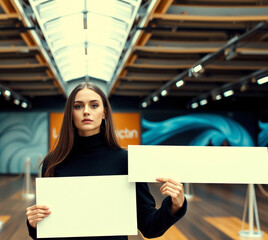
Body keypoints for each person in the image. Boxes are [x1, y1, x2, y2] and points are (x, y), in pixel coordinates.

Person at [26, 82, 187, 240]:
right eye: (78, 106)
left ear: (104, 113)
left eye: (94, 105)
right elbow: (47, 227)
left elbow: (148, 226)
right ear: (70, 114)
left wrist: (175, 206)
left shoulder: (127, 161)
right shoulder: (53, 162)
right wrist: (34, 224)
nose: (86, 111)